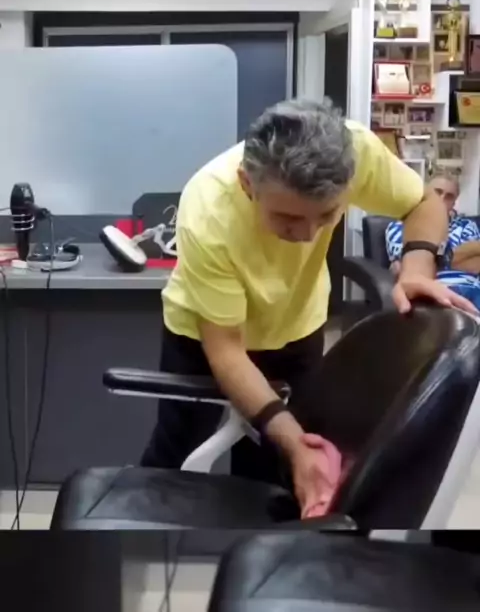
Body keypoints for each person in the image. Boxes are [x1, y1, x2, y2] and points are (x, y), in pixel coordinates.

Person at [141, 99, 476, 518]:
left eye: (327, 215)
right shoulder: (208, 209)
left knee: (271, 465)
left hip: (296, 324)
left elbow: (423, 202)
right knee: (177, 451)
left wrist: (416, 267)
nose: (308, 234)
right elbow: (227, 351)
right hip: (206, 334)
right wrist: (292, 440)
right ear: (247, 184)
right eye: (288, 218)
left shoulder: (357, 151)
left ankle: (254, 546)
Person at [386, 172, 480, 309]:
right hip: (432, 288)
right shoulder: (400, 225)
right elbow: (405, 263)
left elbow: (474, 264)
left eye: (449, 196)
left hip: (473, 288)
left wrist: (436, 257)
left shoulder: (466, 225)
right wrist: (453, 257)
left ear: (454, 202)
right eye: (437, 193)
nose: (441, 199)